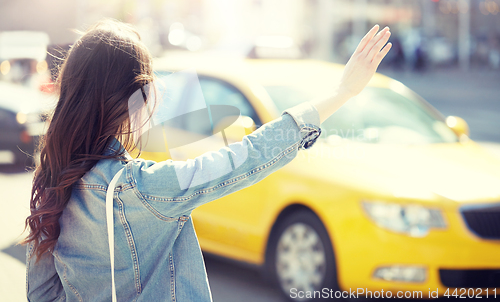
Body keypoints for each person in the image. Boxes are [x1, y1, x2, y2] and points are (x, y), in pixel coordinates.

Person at [23, 19, 391, 301]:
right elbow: (247, 156)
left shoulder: (52, 181)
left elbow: (40, 294)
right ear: (135, 97)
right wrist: (342, 93)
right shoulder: (143, 188)